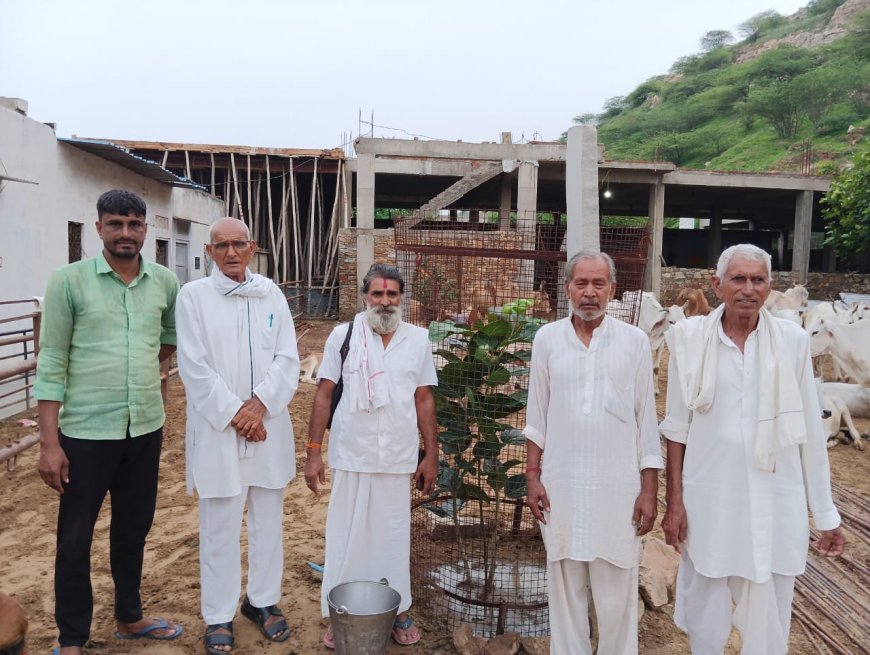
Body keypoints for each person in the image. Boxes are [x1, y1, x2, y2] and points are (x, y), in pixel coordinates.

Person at [660, 243, 844, 655]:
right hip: (710, 500)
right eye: (738, 279)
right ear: (718, 285)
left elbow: (810, 434)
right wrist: (675, 502)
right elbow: (676, 429)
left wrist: (826, 512)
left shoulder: (792, 342)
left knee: (768, 621)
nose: (748, 288)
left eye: (757, 279)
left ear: (769, 286)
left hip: (774, 500)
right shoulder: (689, 339)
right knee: (706, 617)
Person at [34, 190, 183, 655]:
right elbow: (52, 358)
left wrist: (136, 375)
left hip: (144, 428)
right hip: (84, 433)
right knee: (75, 537)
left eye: (134, 224)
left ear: (146, 229)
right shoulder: (68, 281)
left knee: (133, 528)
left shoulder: (163, 282)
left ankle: (129, 617)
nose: (125, 232)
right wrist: (48, 443)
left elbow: (166, 342)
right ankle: (73, 638)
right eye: (115, 223)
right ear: (98, 228)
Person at [524, 250, 663, 655]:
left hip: (618, 487)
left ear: (612, 290)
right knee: (564, 587)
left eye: (598, 284)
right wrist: (532, 477)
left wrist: (649, 490)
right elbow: (537, 413)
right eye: (581, 283)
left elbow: (646, 421)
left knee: (617, 590)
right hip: (561, 484)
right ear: (567, 288)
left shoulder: (634, 342)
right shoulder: (547, 339)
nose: (589, 293)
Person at [176, 217, 300, 655]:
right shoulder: (193, 297)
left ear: (253, 247)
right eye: (222, 245)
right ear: (209, 252)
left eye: (239, 244)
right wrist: (238, 415)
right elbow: (193, 367)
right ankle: (217, 615)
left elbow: (288, 358)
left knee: (268, 521)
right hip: (220, 431)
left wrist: (261, 404)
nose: (231, 252)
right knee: (220, 526)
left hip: (268, 426)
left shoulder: (270, 293)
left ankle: (262, 601)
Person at [305, 263, 438, 648]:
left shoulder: (417, 339)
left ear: (401, 298)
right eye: (377, 294)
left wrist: (431, 455)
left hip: (397, 456)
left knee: (392, 537)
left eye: (391, 295)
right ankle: (340, 613)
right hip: (351, 452)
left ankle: (397, 611)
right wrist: (314, 453)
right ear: (366, 296)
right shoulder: (342, 336)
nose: (384, 301)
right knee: (347, 537)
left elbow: (424, 398)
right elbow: (324, 393)